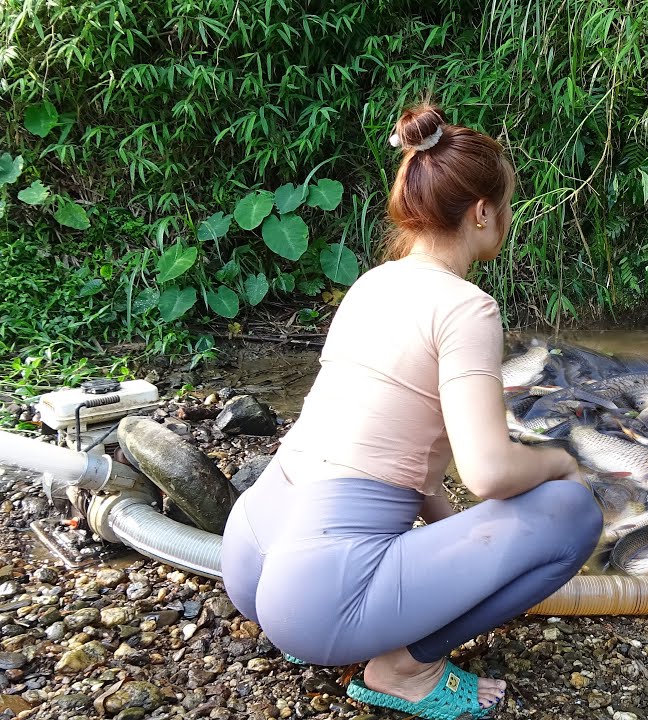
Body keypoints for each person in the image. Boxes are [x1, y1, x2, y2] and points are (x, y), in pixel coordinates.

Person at [220, 103, 604, 719]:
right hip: (318, 596)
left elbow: (399, 457)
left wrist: (465, 548)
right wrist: (558, 461)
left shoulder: (375, 283)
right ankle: (404, 668)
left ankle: (336, 634)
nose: (507, 217)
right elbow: (488, 474)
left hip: (252, 554)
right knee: (571, 513)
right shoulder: (467, 308)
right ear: (483, 213)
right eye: (507, 205)